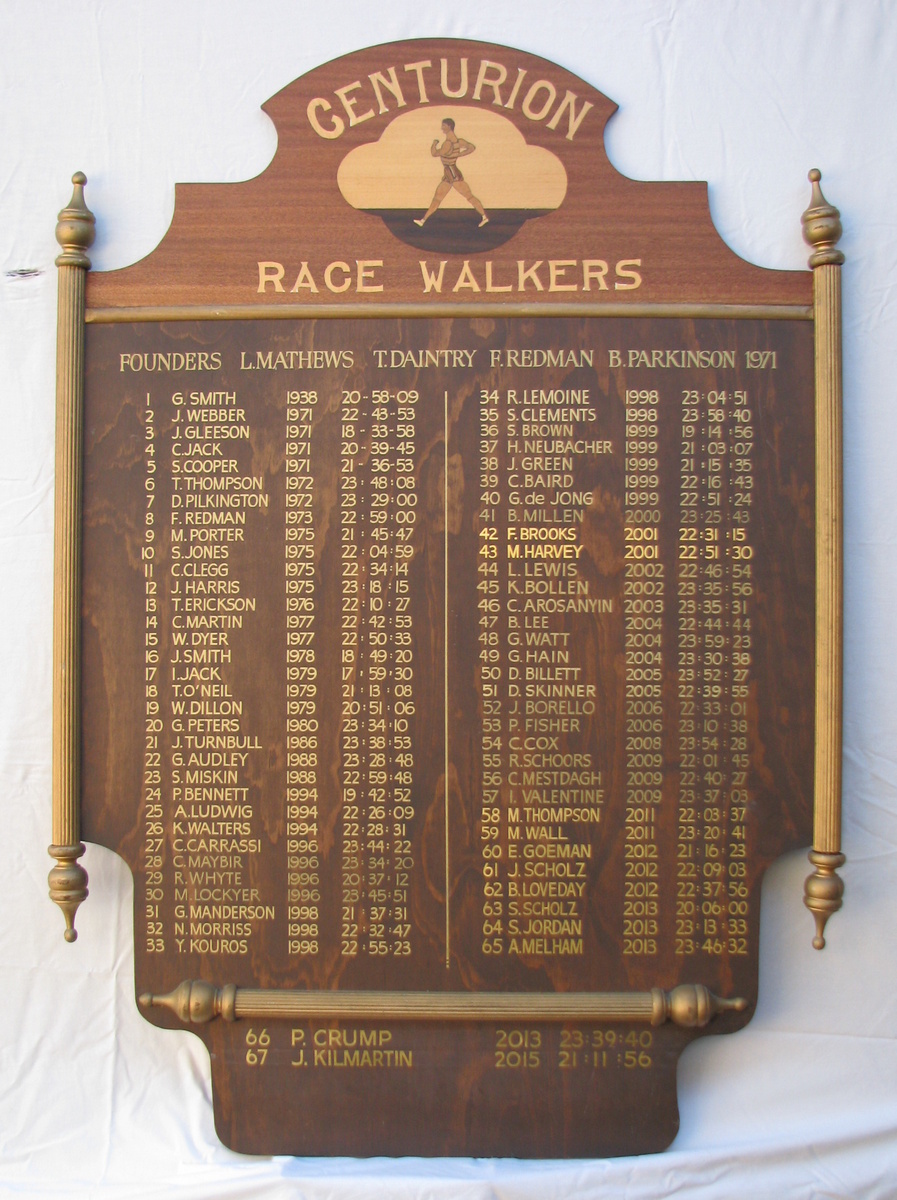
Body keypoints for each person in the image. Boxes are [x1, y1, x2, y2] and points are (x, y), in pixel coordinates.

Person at [414, 118, 489, 227]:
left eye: (444, 126)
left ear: (449, 127)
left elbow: (434, 153)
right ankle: (423, 221)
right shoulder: (458, 142)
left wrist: (434, 143)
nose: (442, 128)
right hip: (448, 174)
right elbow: (471, 147)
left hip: (453, 174)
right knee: (437, 198)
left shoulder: (448, 144)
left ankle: (484, 217)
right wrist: (458, 154)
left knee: (469, 196)